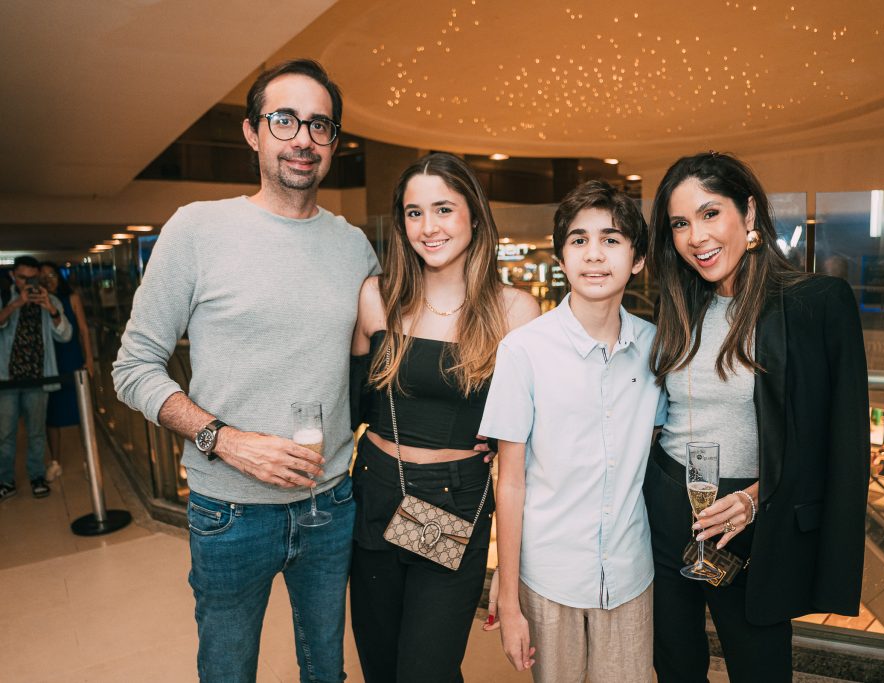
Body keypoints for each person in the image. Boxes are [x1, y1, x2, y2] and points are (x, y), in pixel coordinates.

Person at [112, 59, 380, 682]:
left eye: (320, 125)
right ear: (253, 133)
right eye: (284, 120)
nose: (302, 139)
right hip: (228, 512)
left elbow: (385, 361)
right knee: (229, 671)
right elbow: (133, 367)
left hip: (331, 500)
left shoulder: (353, 246)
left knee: (326, 671)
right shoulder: (198, 229)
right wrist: (223, 440)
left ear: (333, 142)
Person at [644, 152, 869, 683]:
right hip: (668, 504)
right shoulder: (677, 305)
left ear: (748, 214)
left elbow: (835, 440)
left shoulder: (816, 302)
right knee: (675, 665)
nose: (695, 236)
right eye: (680, 223)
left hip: (750, 515)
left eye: (709, 213)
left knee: (760, 669)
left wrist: (753, 499)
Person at [348, 152, 539, 683]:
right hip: (375, 492)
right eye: (413, 212)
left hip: (455, 502)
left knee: (425, 672)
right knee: (382, 669)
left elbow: (523, 454)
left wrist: (510, 581)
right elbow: (349, 405)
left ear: (474, 217)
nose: (428, 227)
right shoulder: (377, 296)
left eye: (443, 209)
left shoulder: (513, 311)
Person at [480, 180, 667, 682]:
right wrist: (510, 597)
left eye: (611, 239)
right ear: (562, 259)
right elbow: (511, 481)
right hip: (549, 578)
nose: (594, 255)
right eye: (579, 241)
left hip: (630, 575)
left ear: (638, 258)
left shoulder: (657, 350)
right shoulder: (523, 351)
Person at [0, 256, 72, 501]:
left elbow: (65, 334)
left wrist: (51, 310)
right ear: (13, 276)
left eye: (33, 278)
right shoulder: (4, 298)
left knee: (36, 432)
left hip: (39, 378)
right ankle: (5, 481)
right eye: (23, 278)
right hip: (7, 379)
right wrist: (15, 305)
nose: (28, 283)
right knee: (5, 434)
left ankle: (37, 476)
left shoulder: (48, 300)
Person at [40, 262, 95, 481]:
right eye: (43, 277)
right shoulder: (40, 302)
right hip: (50, 360)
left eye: (52, 275)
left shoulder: (71, 298)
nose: (49, 280)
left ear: (59, 276)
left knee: (81, 411)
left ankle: (88, 458)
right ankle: (55, 461)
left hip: (71, 357)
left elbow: (82, 330)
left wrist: (89, 359)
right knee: (51, 414)